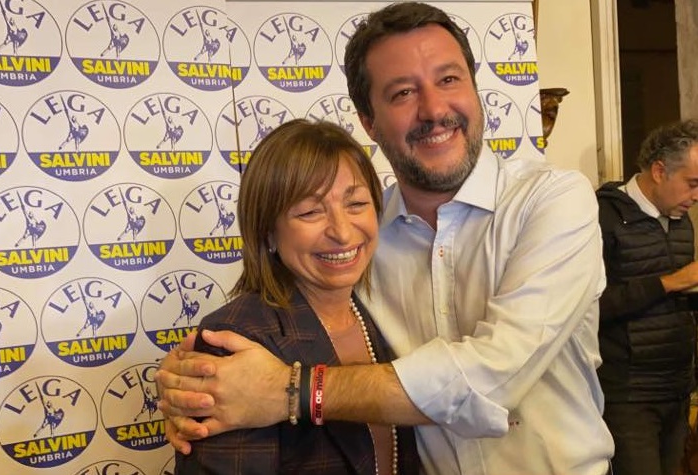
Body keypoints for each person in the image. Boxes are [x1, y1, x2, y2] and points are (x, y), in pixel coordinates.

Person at [156, 3, 614, 474]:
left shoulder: (552, 200)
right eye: (403, 93)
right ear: (369, 121)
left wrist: (291, 391)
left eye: (449, 79)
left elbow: (494, 376)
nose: (434, 109)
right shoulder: (359, 242)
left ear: (475, 90)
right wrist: (190, 383)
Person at [174, 119, 419, 474]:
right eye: (310, 212)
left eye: (356, 204)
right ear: (268, 232)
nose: (342, 232)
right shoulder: (234, 342)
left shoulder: (387, 312)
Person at [595, 119, 698, 475]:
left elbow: (678, 300)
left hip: (677, 388)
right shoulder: (602, 216)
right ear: (659, 171)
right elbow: (589, 307)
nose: (696, 196)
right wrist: (668, 282)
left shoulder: (682, 221)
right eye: (692, 183)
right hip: (628, 395)